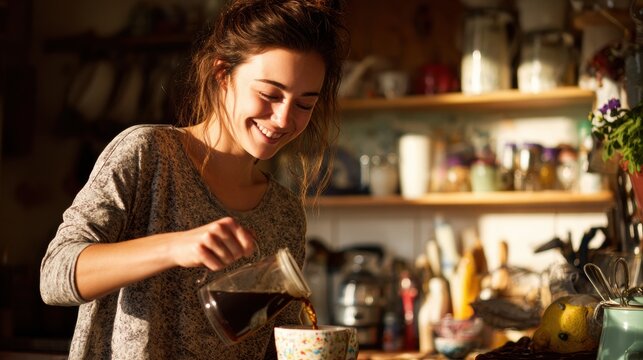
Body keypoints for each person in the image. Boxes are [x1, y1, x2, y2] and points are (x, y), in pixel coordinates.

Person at [39, 0, 348, 358]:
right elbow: (55, 276)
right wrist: (175, 247)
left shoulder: (284, 213)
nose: (282, 118)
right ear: (222, 75)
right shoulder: (147, 154)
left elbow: (280, 344)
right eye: (269, 94)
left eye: (304, 105)